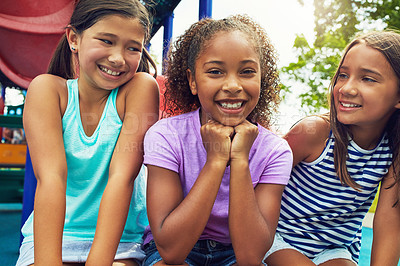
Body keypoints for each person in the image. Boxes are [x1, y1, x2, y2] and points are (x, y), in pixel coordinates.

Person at [142, 15, 293, 266]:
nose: (233, 85)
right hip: (174, 251)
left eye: (247, 72)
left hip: (234, 251)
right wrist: (216, 161)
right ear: (192, 81)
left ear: (261, 78)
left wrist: (240, 160)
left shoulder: (275, 151)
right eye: (215, 72)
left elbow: (249, 257)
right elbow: (171, 252)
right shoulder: (165, 136)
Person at [16, 0, 159, 265]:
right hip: (53, 237)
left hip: (120, 241)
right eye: (106, 40)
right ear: (74, 38)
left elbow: (122, 177)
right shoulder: (48, 91)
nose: (118, 58)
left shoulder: (140, 89)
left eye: (132, 48)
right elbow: (51, 179)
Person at [264, 31, 400, 266]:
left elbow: (391, 217)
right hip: (277, 239)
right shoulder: (314, 133)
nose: (346, 88)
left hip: (334, 249)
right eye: (343, 75)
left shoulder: (392, 150)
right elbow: (257, 181)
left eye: (367, 79)